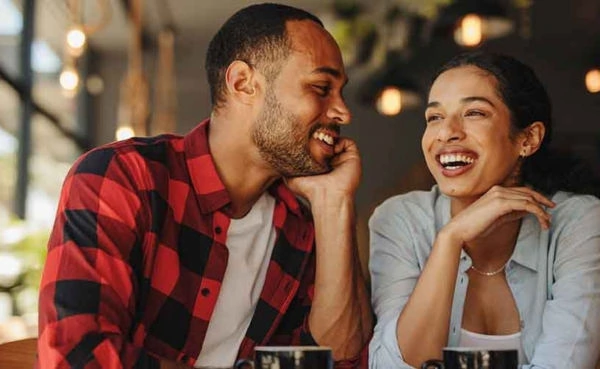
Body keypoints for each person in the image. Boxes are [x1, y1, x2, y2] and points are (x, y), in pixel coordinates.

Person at [37, 3, 373, 368]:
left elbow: (342, 361)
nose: (343, 112)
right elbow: (78, 355)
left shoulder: (302, 229)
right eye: (321, 87)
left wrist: (335, 203)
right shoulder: (123, 177)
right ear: (244, 83)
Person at [368, 51, 600, 369]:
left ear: (528, 139)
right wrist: (450, 239)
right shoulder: (400, 219)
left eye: (474, 113)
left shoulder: (580, 221)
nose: (446, 132)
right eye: (434, 117)